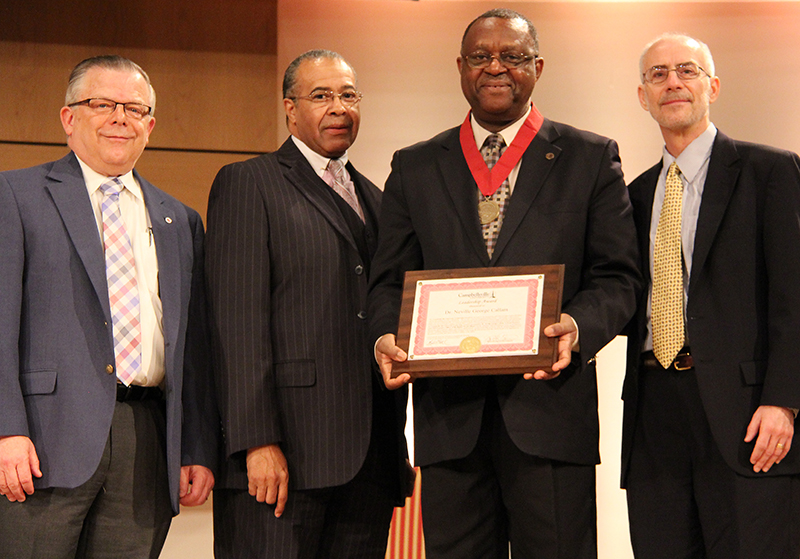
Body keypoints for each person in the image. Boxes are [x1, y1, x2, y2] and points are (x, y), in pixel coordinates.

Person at [368, 9, 640, 559]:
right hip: (449, 424)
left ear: (537, 67)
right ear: (460, 68)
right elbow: (388, 281)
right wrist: (384, 337)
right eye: (481, 56)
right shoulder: (415, 166)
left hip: (550, 413)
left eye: (512, 56)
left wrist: (577, 327)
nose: (495, 67)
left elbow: (618, 276)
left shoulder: (589, 157)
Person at [0, 55, 218, 558]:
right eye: (102, 104)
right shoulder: (16, 195)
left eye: (135, 108)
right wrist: (7, 429)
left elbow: (194, 347)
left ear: (150, 126)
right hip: (43, 440)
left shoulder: (179, 219)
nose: (120, 118)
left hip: (146, 442)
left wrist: (195, 446)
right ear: (68, 117)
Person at [206, 49, 409, 559]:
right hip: (283, 458)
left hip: (370, 461)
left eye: (348, 95)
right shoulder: (249, 182)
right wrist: (256, 441)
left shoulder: (379, 200)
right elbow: (236, 322)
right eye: (321, 95)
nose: (338, 107)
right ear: (290, 109)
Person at [622, 33, 800, 558]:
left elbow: (794, 296)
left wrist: (784, 401)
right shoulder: (633, 195)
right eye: (658, 74)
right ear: (643, 96)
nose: (673, 82)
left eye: (687, 70)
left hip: (746, 412)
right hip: (653, 410)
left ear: (713, 87)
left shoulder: (771, 172)